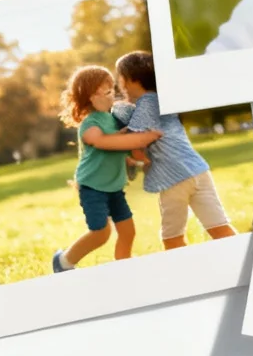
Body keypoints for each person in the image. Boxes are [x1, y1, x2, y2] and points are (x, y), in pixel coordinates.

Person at [78, 52, 239, 250]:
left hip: (174, 178)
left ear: (132, 80)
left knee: (172, 239)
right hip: (199, 171)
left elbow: (135, 144)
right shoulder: (159, 102)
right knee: (220, 228)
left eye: (120, 80)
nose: (119, 87)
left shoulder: (147, 103)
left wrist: (127, 152)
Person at [51, 65, 136, 272]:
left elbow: (118, 149)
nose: (112, 96)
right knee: (101, 232)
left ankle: (124, 268)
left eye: (113, 90)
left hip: (113, 186)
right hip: (93, 186)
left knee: (128, 231)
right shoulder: (90, 123)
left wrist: (131, 159)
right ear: (91, 97)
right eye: (106, 92)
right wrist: (127, 135)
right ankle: (63, 262)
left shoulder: (112, 119)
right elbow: (100, 141)